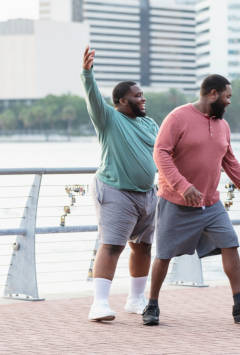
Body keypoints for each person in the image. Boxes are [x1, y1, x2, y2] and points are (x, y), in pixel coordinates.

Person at [142, 74, 240, 326]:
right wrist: (182, 186)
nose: (229, 102)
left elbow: (231, 163)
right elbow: (160, 153)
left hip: (211, 204)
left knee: (230, 243)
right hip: (176, 202)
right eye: (227, 96)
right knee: (164, 255)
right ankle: (152, 305)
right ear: (212, 94)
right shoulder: (178, 117)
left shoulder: (223, 126)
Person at [81, 46, 159, 321]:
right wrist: (87, 74)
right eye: (137, 96)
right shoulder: (109, 119)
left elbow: (163, 154)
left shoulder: (150, 124)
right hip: (115, 190)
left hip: (148, 194)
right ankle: (99, 304)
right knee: (112, 245)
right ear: (121, 101)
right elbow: (92, 99)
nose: (143, 98)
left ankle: (136, 300)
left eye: (142, 94)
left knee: (143, 246)